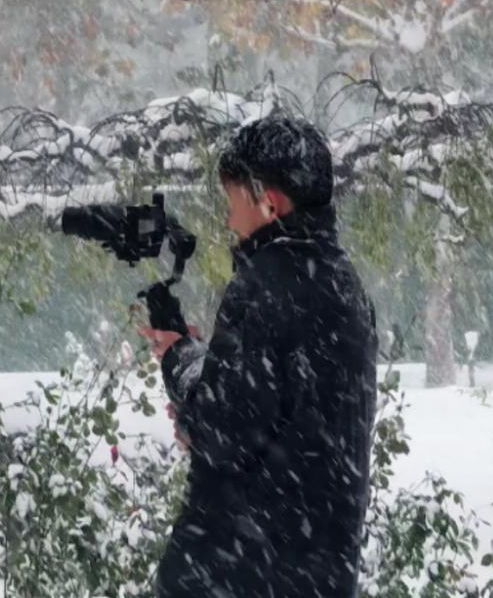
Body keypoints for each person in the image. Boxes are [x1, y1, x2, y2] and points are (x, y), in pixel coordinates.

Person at [139, 115, 378, 597]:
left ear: (269, 202)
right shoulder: (343, 283)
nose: (230, 221)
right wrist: (201, 370)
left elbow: (225, 430)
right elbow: (282, 415)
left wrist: (178, 359)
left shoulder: (266, 284)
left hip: (241, 574)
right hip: (317, 573)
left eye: (233, 202)